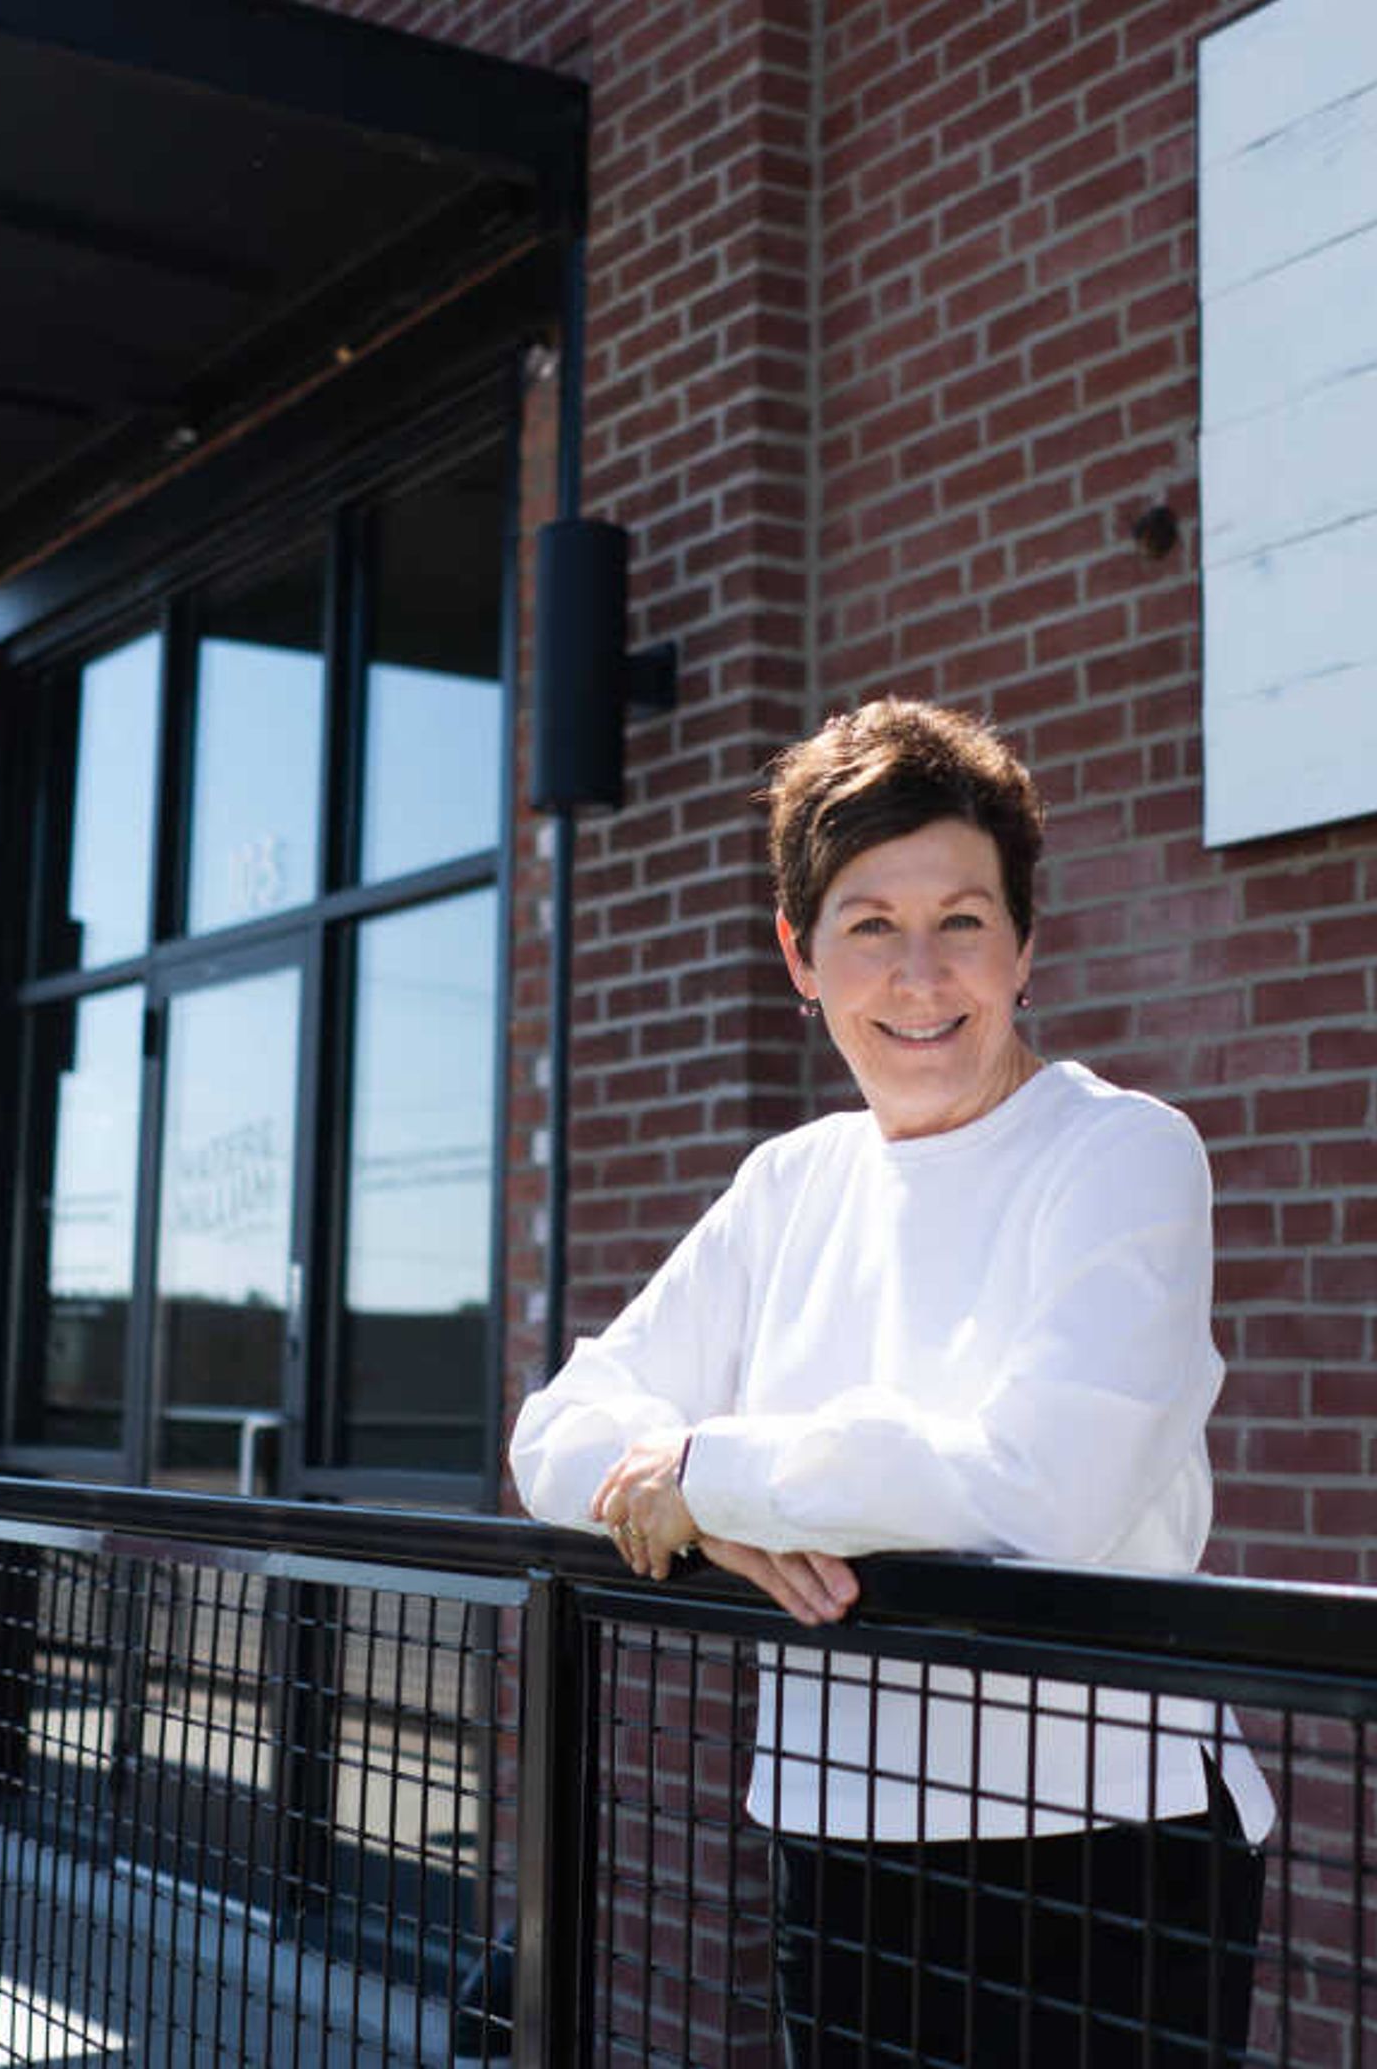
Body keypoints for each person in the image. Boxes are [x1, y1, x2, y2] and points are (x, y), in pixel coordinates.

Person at [509, 697, 1272, 2068]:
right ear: (802, 958)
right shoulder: (790, 1183)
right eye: (871, 927)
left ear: (1026, 946)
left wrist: (718, 1472)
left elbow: (1042, 1495)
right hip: (838, 1838)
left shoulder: (1126, 1154)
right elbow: (557, 1432)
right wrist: (716, 1503)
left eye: (964, 921)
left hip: (1104, 1852)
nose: (921, 978)